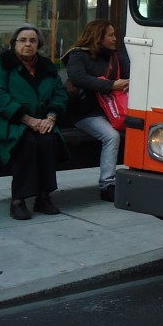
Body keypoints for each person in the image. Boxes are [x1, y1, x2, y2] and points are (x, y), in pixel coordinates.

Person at [0, 24, 68, 220]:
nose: (28, 44)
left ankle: (43, 197)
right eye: (23, 40)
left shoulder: (47, 66)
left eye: (32, 41)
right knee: (27, 143)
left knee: (48, 141)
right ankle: (18, 200)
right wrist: (26, 119)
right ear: (14, 43)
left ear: (38, 44)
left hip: (42, 121)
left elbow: (59, 93)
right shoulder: (2, 65)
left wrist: (51, 116)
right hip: (11, 122)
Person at [63, 19, 129, 202]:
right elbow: (78, 77)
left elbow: (130, 74)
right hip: (87, 112)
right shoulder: (78, 55)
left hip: (114, 110)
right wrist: (110, 85)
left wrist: (125, 84)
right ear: (97, 37)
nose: (115, 38)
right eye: (110, 35)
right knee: (111, 136)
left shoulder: (116, 56)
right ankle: (107, 184)